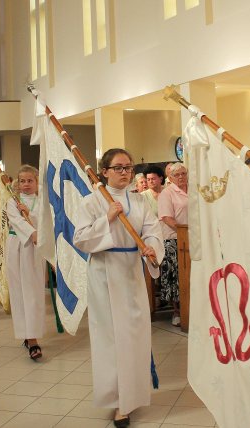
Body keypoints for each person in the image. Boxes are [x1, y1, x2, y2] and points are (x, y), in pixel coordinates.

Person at [73, 148, 163, 428]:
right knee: (111, 338)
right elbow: (81, 239)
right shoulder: (92, 202)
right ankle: (117, 402)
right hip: (104, 273)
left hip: (131, 272)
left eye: (129, 167)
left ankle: (133, 395)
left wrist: (151, 248)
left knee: (134, 335)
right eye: (119, 167)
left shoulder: (140, 202)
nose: (125, 172)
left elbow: (152, 230)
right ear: (105, 171)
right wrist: (108, 217)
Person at [5, 165, 45, 360]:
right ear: (17, 183)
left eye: (30, 181)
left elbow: (46, 221)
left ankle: (34, 335)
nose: (26, 184)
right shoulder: (12, 201)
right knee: (19, 291)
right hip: (16, 245)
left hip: (35, 249)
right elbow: (15, 221)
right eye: (22, 181)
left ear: (37, 182)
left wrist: (31, 213)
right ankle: (28, 337)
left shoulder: (42, 202)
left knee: (34, 292)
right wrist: (33, 232)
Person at [157, 162, 188, 326]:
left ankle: (191, 308)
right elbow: (167, 218)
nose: (182, 177)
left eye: (184, 173)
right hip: (173, 239)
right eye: (177, 175)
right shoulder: (167, 194)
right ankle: (177, 311)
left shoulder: (193, 190)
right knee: (175, 275)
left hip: (192, 238)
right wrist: (184, 231)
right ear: (170, 178)